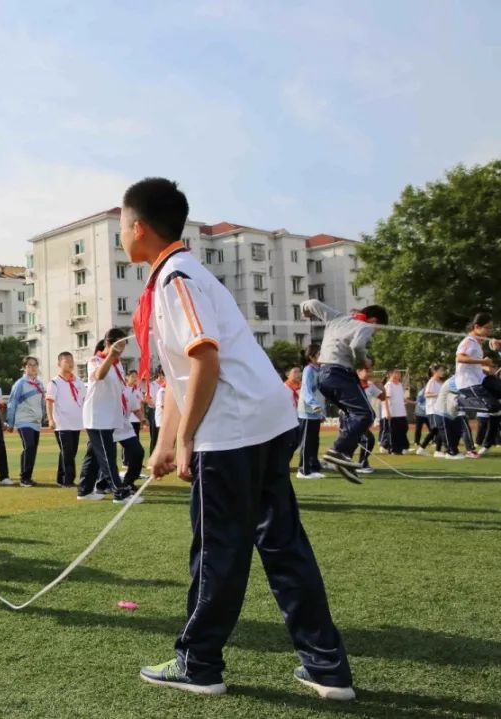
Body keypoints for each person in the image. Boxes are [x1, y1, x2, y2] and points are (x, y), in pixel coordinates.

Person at [122, 178, 352, 699]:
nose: (122, 236)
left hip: (234, 431)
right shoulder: (185, 275)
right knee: (283, 545)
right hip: (266, 421)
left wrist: (188, 441)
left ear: (137, 228)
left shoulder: (175, 278)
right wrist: (164, 444)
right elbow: (187, 372)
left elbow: (204, 358)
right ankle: (326, 667)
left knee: (218, 551)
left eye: (121, 226)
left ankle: (198, 663)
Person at [301, 298, 389, 484]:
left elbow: (312, 302)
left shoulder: (337, 317)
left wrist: (305, 310)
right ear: (374, 321)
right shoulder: (365, 326)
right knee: (365, 414)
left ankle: (344, 459)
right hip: (340, 373)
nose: (374, 334)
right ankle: (339, 450)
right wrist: (362, 361)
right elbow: (357, 346)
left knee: (353, 415)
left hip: (324, 376)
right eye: (378, 330)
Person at [77, 327, 140, 503]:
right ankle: (119, 493)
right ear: (108, 343)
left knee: (94, 455)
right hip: (97, 416)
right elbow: (100, 375)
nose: (121, 350)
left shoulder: (118, 363)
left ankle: (84, 490)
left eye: (123, 346)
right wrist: (111, 356)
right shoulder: (95, 360)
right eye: (118, 346)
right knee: (107, 455)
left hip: (110, 416)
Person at [455, 313, 501, 457]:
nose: (489, 332)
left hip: (480, 379)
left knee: (497, 409)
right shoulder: (468, 341)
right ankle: (460, 402)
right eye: (487, 328)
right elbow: (460, 358)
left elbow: (473, 366)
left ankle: (487, 444)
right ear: (477, 327)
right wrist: (482, 362)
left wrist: (486, 369)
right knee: (495, 407)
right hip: (469, 384)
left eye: (490, 329)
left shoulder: (477, 343)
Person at [46, 351, 86, 488]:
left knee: (70, 451)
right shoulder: (54, 383)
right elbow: (49, 402)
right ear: (59, 364)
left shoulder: (78, 381)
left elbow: (84, 399)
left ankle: (60, 478)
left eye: (71, 360)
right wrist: (50, 419)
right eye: (66, 360)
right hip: (62, 423)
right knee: (67, 452)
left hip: (76, 422)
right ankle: (68, 480)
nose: (70, 363)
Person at [7, 356, 46, 488]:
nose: (33, 367)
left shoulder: (40, 384)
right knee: (29, 446)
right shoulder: (20, 384)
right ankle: (24, 478)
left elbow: (42, 402)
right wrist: (11, 423)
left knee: (33, 449)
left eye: (35, 365)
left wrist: (43, 416)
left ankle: (28, 477)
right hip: (24, 420)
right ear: (24, 368)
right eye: (30, 365)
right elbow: (12, 403)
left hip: (36, 421)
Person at [297, 345, 325, 480]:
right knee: (307, 442)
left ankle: (313, 467)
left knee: (314, 441)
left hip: (316, 412)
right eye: (319, 354)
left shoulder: (319, 370)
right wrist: (316, 407)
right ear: (312, 357)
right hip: (307, 411)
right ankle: (302, 470)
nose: (322, 356)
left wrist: (321, 411)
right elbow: (306, 392)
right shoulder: (308, 370)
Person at [416, 364, 446, 456]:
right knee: (437, 429)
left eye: (443, 370)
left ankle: (422, 448)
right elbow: (426, 395)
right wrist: (439, 395)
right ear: (435, 372)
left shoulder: (440, 382)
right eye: (441, 370)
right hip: (433, 409)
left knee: (436, 430)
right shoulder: (431, 382)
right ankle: (436, 450)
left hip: (440, 409)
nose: (443, 372)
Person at [382, 370, 409, 455]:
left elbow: (401, 398)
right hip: (393, 413)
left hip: (401, 412)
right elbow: (385, 399)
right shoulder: (389, 385)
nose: (398, 375)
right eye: (396, 373)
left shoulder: (400, 385)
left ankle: (400, 448)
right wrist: (387, 412)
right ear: (390, 374)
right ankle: (393, 449)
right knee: (393, 432)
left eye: (399, 373)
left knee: (403, 430)